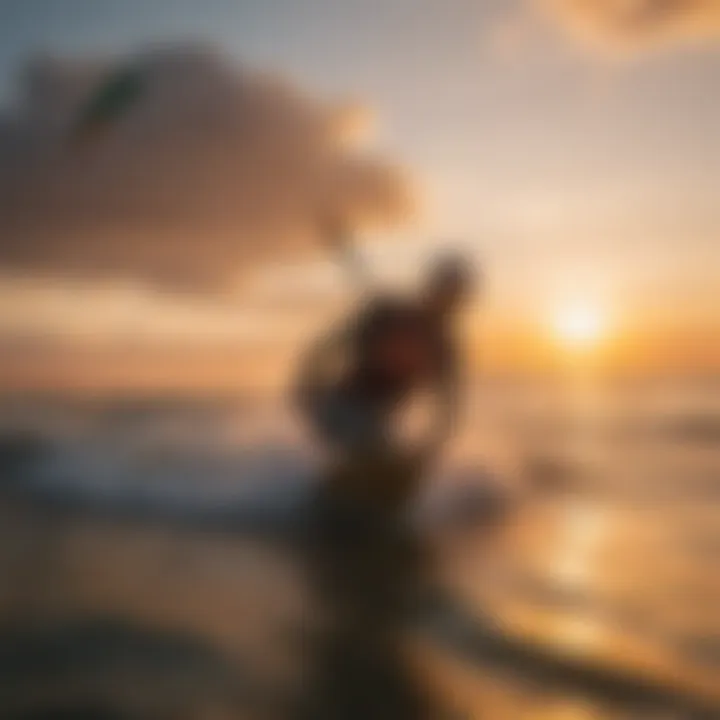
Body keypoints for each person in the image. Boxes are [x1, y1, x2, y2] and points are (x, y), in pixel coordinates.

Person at [294, 249, 478, 479]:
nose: (447, 301)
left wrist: (425, 452)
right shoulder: (389, 314)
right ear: (431, 288)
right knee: (372, 447)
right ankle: (336, 483)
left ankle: (357, 481)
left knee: (386, 452)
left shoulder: (443, 350)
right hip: (337, 406)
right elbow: (330, 346)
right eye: (443, 291)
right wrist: (308, 386)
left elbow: (447, 410)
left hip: (376, 423)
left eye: (454, 296)